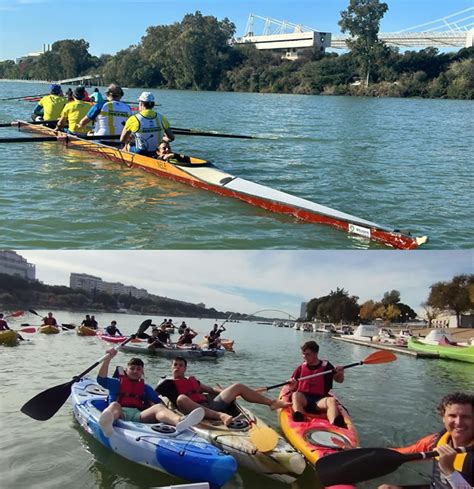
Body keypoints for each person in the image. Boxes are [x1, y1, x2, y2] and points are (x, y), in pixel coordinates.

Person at [97, 348, 205, 437]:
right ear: (126, 370)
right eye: (132, 368)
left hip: (138, 415)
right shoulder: (116, 383)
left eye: (138, 369)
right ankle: (107, 423)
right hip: (119, 413)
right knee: (114, 405)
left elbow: (158, 402)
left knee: (158, 407)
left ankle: (180, 421)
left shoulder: (145, 388)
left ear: (142, 372)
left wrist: (170, 409)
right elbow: (101, 379)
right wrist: (108, 359)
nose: (135, 371)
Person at [155, 356, 291, 426]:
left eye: (181, 365)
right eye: (175, 365)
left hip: (209, 406)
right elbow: (153, 397)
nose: (177, 368)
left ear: (185, 368)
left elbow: (210, 389)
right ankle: (221, 416)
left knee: (238, 386)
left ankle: (272, 403)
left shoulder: (193, 381)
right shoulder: (166, 384)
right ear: (171, 367)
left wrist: (225, 391)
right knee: (181, 398)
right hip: (192, 412)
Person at [378, 392, 473, 489]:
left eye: (466, 417)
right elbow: (407, 453)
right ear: (443, 417)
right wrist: (374, 455)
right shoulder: (436, 440)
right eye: (452, 416)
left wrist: (449, 470)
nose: (458, 422)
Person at [288, 340, 344, 425]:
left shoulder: (327, 367)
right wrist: (292, 385)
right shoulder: (301, 368)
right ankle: (299, 417)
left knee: (331, 400)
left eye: (307, 354)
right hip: (304, 399)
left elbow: (339, 380)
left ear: (315, 354)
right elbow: (291, 386)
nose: (304, 357)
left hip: (320, 401)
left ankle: (334, 423)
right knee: (296, 395)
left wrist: (340, 373)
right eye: (303, 354)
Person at [120, 91, 174, 157]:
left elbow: (122, 140)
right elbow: (171, 138)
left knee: (128, 143)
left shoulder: (133, 119)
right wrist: (160, 138)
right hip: (156, 151)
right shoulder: (161, 117)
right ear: (153, 105)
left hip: (140, 152)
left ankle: (124, 157)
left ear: (141, 104)